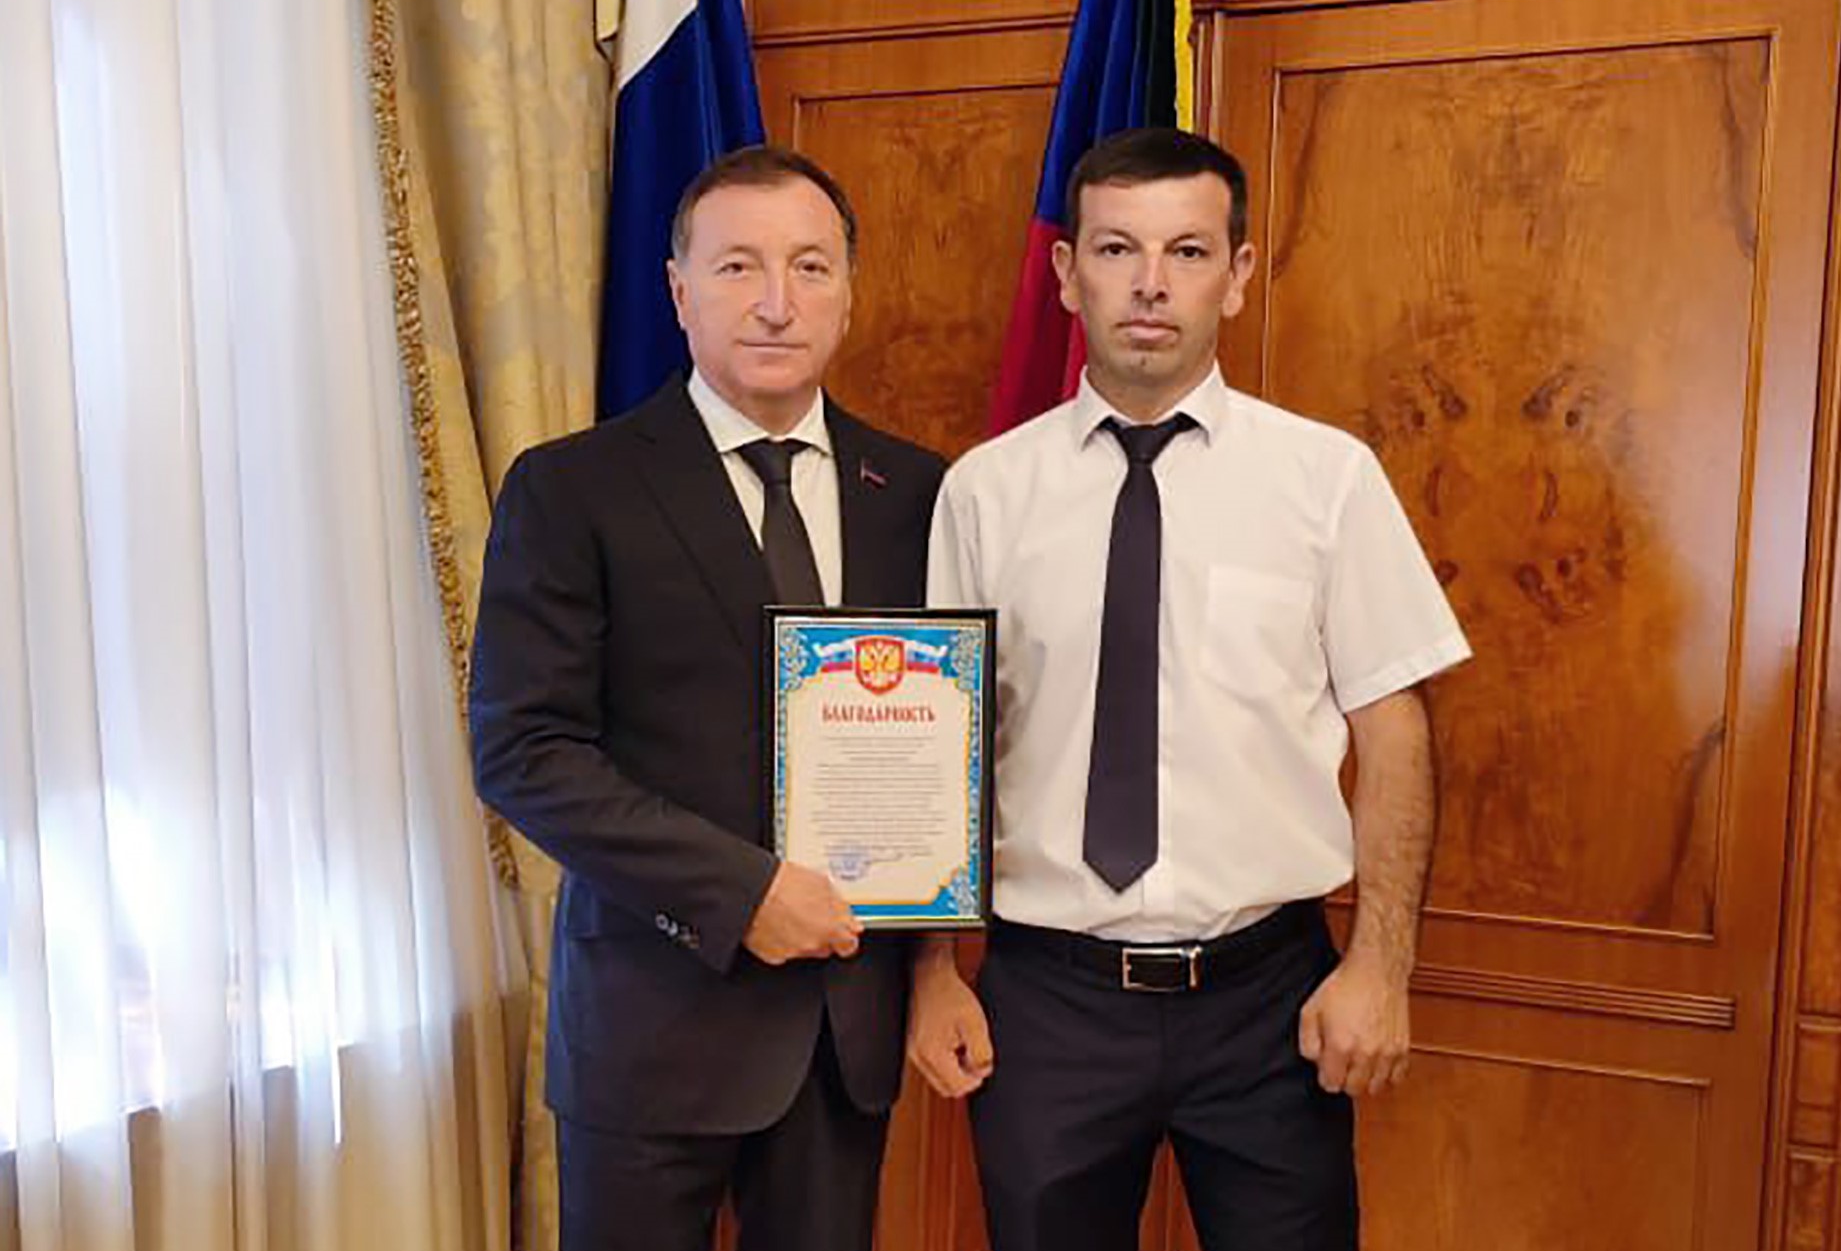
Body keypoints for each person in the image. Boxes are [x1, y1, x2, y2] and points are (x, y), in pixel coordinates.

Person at [910, 127, 1471, 1251]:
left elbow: (1393, 729)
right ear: (1067, 271)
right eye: (1117, 248)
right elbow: (937, 745)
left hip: (1268, 1001)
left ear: (1239, 272)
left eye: (1188, 250)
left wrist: (1379, 965)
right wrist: (929, 974)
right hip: (1049, 1001)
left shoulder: (1325, 480)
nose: (1151, 284)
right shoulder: (983, 493)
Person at [470, 145, 945, 1251]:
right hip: (651, 1029)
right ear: (678, 289)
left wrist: (933, 963)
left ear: (848, 292)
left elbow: (939, 745)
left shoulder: (918, 492)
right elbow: (525, 751)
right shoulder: (572, 486)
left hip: (842, 1037)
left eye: (810, 267)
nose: (777, 302)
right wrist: (743, 892)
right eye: (737, 267)